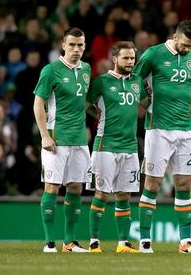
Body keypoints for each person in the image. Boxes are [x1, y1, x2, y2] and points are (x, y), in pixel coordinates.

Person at [134, 20, 191, 254]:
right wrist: (144, 101)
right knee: (152, 184)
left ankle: (186, 242)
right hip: (158, 129)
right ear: (175, 37)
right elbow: (135, 80)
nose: (188, 49)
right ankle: (144, 239)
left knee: (184, 184)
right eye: (185, 45)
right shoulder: (153, 54)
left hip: (185, 130)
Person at [35, 27, 93, 253]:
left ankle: (69, 242)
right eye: (72, 45)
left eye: (80, 45)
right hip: (56, 139)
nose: (77, 49)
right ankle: (49, 242)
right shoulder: (51, 71)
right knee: (52, 187)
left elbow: (83, 103)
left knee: (76, 187)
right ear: (63, 45)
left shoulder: (86, 69)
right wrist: (44, 135)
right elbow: (38, 103)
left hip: (79, 140)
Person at [86, 41, 147, 253]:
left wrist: (148, 101)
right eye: (126, 58)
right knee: (102, 194)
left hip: (129, 147)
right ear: (115, 59)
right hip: (106, 145)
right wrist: (98, 115)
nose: (130, 62)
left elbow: (141, 107)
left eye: (132, 58)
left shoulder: (137, 81)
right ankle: (94, 242)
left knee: (124, 195)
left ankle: (123, 243)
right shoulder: (101, 82)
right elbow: (86, 104)